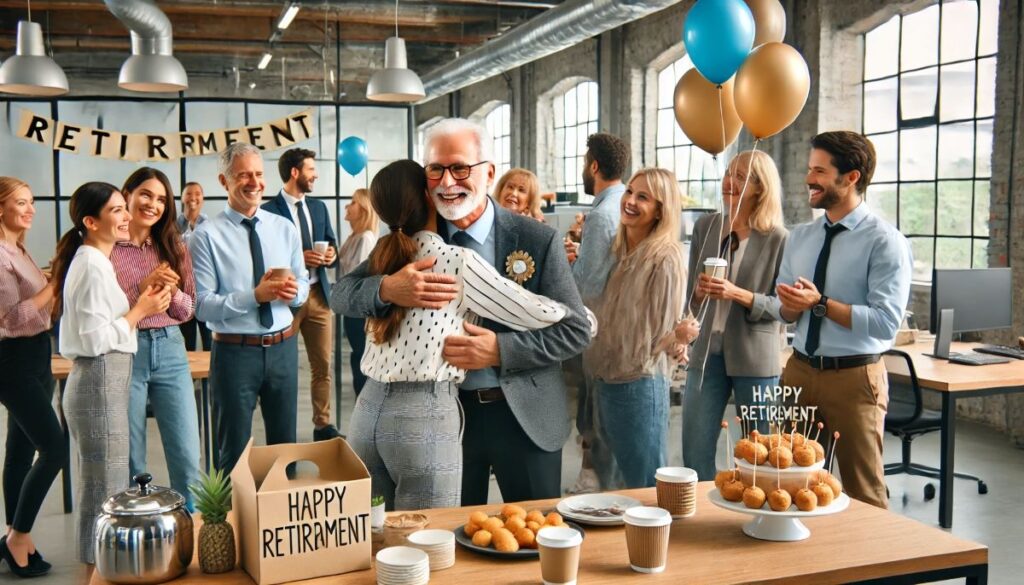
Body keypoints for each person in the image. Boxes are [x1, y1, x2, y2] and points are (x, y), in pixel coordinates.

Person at [332, 118, 591, 505]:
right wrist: (388, 288)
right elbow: (341, 294)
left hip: (522, 415)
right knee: (451, 540)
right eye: (436, 169)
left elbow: (574, 330)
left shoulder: (537, 238)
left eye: (460, 168)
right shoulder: (404, 240)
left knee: (534, 542)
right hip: (445, 416)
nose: (447, 182)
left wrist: (500, 351)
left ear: (489, 172)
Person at [770, 131, 912, 509]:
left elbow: (885, 324)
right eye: (809, 169)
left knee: (862, 491)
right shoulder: (800, 237)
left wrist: (820, 303)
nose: (808, 179)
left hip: (853, 379)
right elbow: (784, 312)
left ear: (850, 177)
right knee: (788, 482)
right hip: (798, 371)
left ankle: (873, 569)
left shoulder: (885, 241)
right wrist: (792, 306)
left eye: (819, 170)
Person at [52, 182, 170, 578]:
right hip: (97, 383)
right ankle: (92, 577)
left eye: (125, 208)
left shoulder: (96, 261)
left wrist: (142, 297)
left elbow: (102, 323)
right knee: (101, 494)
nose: (126, 217)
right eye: (117, 211)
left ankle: (96, 575)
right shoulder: (89, 263)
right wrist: (141, 310)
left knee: (105, 487)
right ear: (91, 221)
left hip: (105, 384)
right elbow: (94, 339)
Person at [189, 142, 309, 473]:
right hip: (234, 355)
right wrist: (255, 296)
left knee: (286, 451)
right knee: (234, 455)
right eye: (243, 175)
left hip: (284, 348)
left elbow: (303, 287)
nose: (254, 183)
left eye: (258, 174)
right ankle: (232, 525)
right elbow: (202, 306)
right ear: (224, 182)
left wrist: (292, 291)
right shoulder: (206, 236)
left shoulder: (284, 228)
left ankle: (282, 522)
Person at [680, 151, 789, 481]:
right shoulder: (706, 227)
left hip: (755, 356)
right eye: (729, 173)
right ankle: (697, 516)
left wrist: (735, 293)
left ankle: (758, 514)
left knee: (760, 453)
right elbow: (690, 298)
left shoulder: (778, 239)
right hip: (706, 353)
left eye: (741, 177)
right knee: (694, 447)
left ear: (760, 187)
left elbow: (784, 309)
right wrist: (699, 293)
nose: (729, 181)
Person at [585, 167, 686, 489]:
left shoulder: (665, 258)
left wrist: (683, 338)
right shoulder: (620, 251)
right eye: (629, 192)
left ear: (661, 209)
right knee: (612, 488)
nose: (629, 201)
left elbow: (662, 334)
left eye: (643, 197)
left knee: (645, 486)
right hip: (606, 380)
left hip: (639, 385)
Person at [111, 168, 202, 510]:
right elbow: (102, 308)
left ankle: (189, 536)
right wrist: (144, 287)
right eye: (146, 195)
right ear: (128, 194)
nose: (153, 204)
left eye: (162, 199)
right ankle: (137, 533)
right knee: (131, 458)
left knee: (186, 453)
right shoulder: (108, 245)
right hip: (125, 350)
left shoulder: (173, 245)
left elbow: (188, 309)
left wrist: (173, 290)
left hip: (170, 347)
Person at [0, 177, 65, 577]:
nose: (31, 208)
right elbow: (11, 318)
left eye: (31, 201)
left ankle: (13, 534)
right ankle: (19, 534)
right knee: (54, 449)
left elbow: (37, 308)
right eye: (21, 202)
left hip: (38, 354)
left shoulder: (18, 249)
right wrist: (55, 283)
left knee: (21, 454)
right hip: (13, 360)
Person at [563, 132, 630, 494]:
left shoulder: (602, 214)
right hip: (616, 330)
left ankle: (597, 486)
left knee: (594, 413)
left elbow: (586, 287)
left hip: (598, 331)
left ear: (594, 166)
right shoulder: (624, 203)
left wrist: (566, 271)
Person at [263, 148, 340, 440]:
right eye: (311, 169)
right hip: (286, 299)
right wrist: (299, 259)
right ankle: (284, 433)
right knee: (281, 371)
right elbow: (264, 256)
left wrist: (330, 255)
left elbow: (331, 243)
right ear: (295, 172)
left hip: (319, 296)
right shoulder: (268, 211)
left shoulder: (319, 207)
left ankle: (323, 425)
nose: (316, 174)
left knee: (323, 366)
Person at [337, 188, 378, 397]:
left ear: (363, 209)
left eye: (352, 202)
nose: (347, 205)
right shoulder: (354, 237)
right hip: (350, 311)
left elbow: (362, 281)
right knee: (357, 357)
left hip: (359, 313)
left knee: (361, 359)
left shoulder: (365, 239)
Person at [176, 181, 211, 351]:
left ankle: (208, 378)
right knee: (187, 342)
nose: (193, 197)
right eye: (188, 193)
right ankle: (188, 377)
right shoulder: (173, 228)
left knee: (209, 342)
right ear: (182, 197)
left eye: (197, 193)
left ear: (203, 198)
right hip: (183, 292)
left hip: (205, 289)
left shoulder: (210, 226)